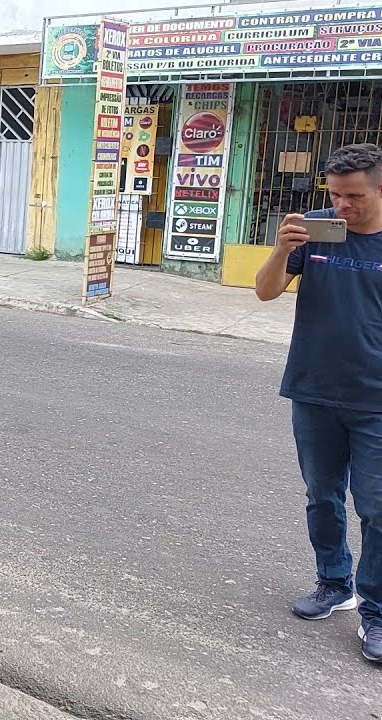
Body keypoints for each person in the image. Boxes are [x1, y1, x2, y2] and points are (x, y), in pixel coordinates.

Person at [255, 142, 382, 665]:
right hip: (312, 388)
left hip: (375, 399)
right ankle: (335, 584)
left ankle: (376, 612)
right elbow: (265, 292)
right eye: (336, 195)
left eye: (354, 196)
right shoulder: (315, 229)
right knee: (321, 495)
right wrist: (282, 249)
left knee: (377, 508)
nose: (343, 207)